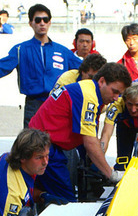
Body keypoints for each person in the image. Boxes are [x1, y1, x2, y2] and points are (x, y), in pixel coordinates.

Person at [0, 4, 81, 127]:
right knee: (32, 144)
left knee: (62, 144)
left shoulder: (63, 51)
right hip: (34, 105)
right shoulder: (20, 50)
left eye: (45, 20)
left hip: (58, 103)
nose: (42, 23)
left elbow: (85, 68)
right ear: (31, 23)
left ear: (50, 22)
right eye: (38, 20)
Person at [28, 62, 131, 203]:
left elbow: (88, 137)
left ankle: (42, 200)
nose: (116, 98)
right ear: (102, 82)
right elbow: (89, 141)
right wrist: (110, 174)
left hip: (44, 142)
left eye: (120, 94)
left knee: (54, 192)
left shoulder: (90, 90)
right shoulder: (88, 96)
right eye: (115, 91)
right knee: (67, 203)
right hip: (43, 146)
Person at [99, 83, 138, 168]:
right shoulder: (117, 105)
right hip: (126, 128)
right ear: (124, 100)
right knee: (122, 161)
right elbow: (106, 134)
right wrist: (99, 159)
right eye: (129, 104)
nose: (133, 110)